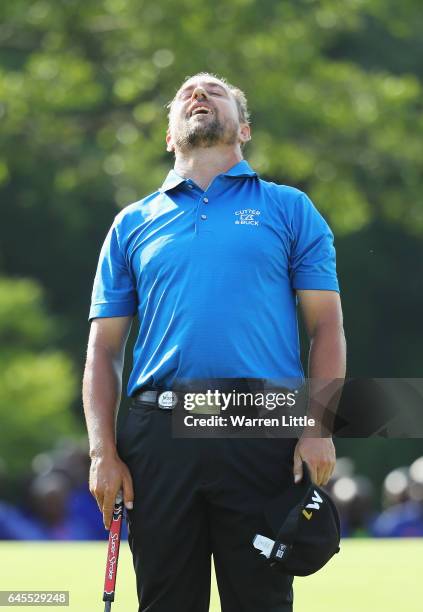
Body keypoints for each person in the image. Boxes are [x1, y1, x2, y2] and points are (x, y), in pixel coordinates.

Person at [83, 72, 346, 612]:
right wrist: (101, 451)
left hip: (259, 422)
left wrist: (318, 427)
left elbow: (327, 327)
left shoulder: (289, 208)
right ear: (168, 136)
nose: (198, 96)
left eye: (215, 92)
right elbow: (102, 350)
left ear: (243, 128)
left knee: (260, 601)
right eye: (187, 95)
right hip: (157, 434)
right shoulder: (131, 223)